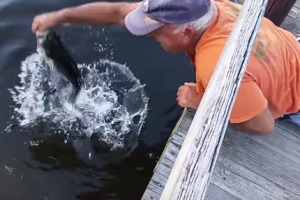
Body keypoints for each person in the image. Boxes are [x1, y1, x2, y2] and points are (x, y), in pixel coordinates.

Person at [31, 0, 300, 135]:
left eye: (157, 33)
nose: (149, 36)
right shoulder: (205, 7)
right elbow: (117, 13)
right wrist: (61, 16)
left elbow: (263, 125)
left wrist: (203, 101)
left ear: (187, 33)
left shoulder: (218, 66)